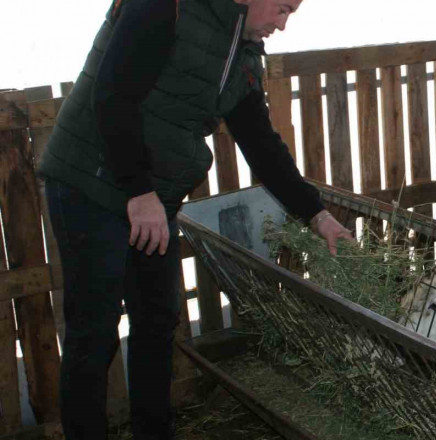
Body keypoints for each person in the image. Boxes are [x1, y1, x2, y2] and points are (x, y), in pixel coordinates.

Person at [37, 0, 351, 438]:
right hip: (90, 181)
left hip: (149, 194)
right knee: (94, 329)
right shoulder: (167, 7)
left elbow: (259, 141)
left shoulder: (239, 51)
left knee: (156, 320)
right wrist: (138, 190)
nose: (282, 25)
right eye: (282, 9)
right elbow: (112, 96)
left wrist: (316, 214)